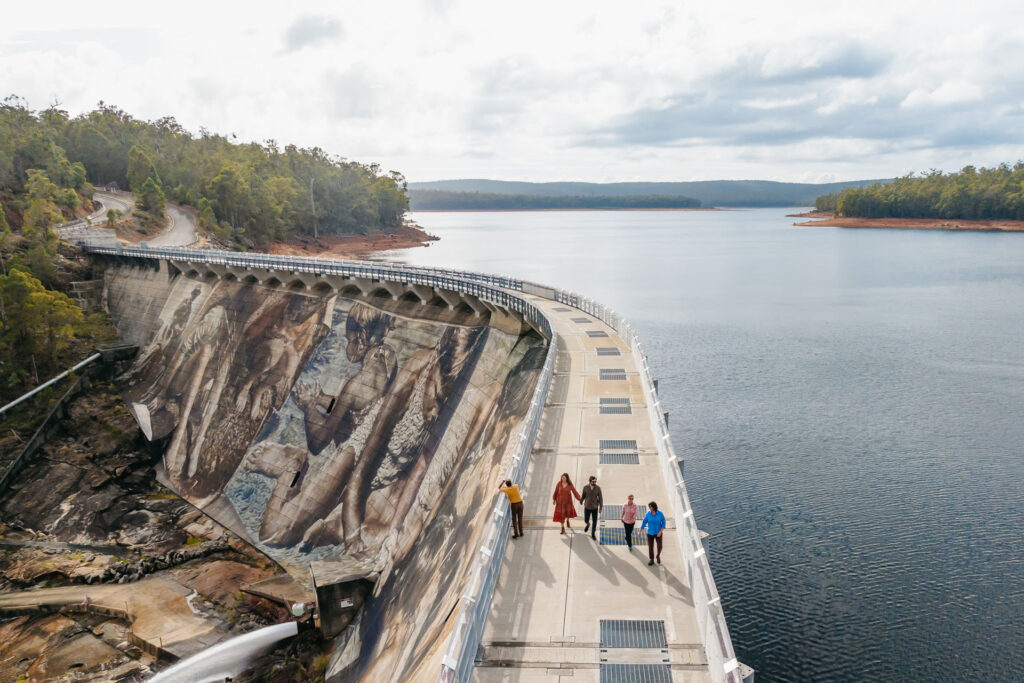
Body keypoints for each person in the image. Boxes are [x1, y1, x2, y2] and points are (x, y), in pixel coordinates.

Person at [640, 500, 666, 565]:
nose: (649, 508)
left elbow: (664, 522)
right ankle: (651, 559)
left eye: (650, 507)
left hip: (658, 533)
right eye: (649, 507)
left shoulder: (660, 513)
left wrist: (660, 531)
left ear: (654, 507)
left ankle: (658, 556)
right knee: (650, 547)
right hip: (650, 533)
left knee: (660, 546)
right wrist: (640, 531)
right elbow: (644, 522)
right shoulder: (648, 514)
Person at [581, 475, 603, 540]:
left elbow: (601, 498)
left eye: (595, 481)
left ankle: (593, 533)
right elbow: (583, 495)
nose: (594, 483)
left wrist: (600, 507)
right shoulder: (585, 487)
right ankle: (588, 524)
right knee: (586, 520)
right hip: (587, 507)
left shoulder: (598, 488)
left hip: (595, 507)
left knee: (595, 521)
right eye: (593, 481)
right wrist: (581, 500)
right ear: (590, 481)